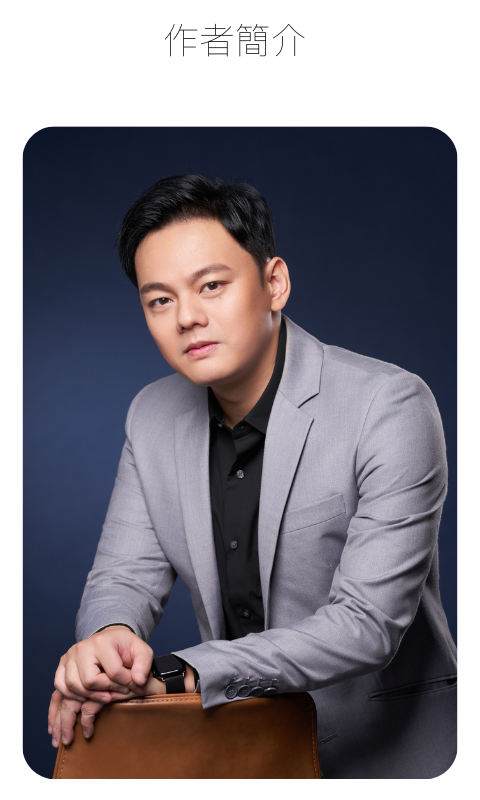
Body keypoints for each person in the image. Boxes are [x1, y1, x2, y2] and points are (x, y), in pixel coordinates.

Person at [48, 174, 456, 778]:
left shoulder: (388, 405)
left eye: (211, 285)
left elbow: (366, 625)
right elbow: (124, 575)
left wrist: (180, 674)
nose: (187, 317)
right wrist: (106, 646)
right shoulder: (151, 415)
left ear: (274, 283)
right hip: (242, 754)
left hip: (391, 759)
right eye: (160, 300)